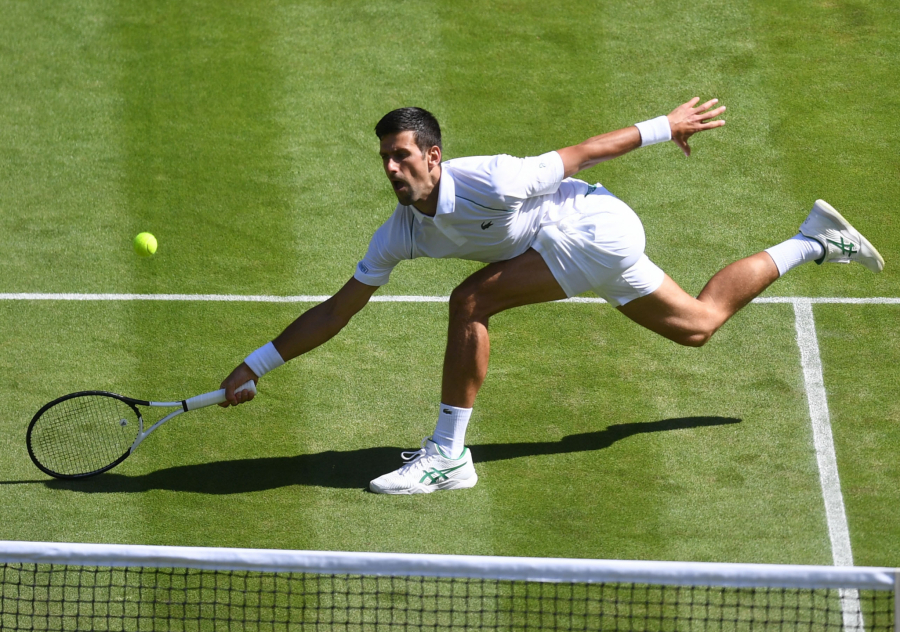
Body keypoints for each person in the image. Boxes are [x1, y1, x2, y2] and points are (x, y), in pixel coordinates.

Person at [219, 98, 884, 495]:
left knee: (471, 301)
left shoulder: (496, 180)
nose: (392, 169)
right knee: (698, 324)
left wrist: (666, 124)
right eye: (385, 160)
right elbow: (339, 309)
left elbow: (586, 151)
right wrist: (257, 363)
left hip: (592, 226)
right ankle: (815, 242)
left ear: (434, 155)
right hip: (581, 250)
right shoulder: (398, 235)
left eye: (402, 156)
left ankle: (448, 458)